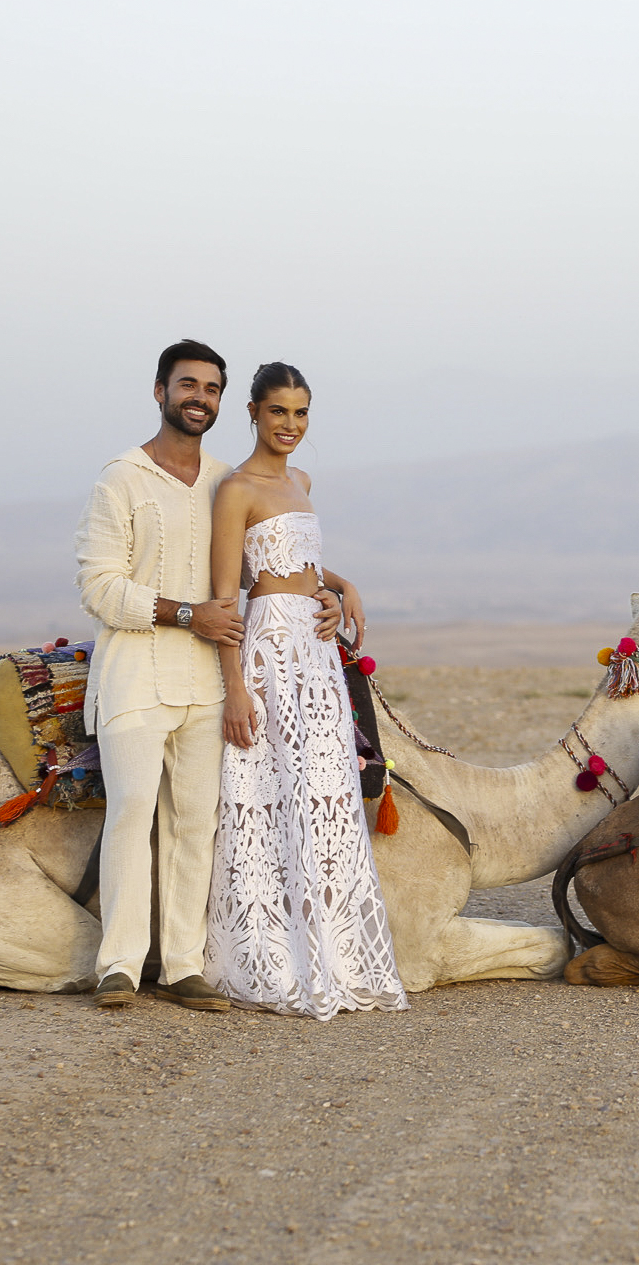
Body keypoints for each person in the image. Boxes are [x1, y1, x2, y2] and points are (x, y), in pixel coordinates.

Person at [76, 340, 321, 1012]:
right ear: (160, 392)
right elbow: (98, 586)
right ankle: (120, 966)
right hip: (134, 674)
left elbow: (256, 570)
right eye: (188, 385)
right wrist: (189, 614)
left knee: (195, 822)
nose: (199, 398)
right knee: (130, 813)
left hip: (209, 683)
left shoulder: (225, 480)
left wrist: (328, 590)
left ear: (221, 402)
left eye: (211, 389)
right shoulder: (120, 478)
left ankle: (183, 964)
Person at [203, 361, 408, 1019]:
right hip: (267, 653)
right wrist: (235, 688)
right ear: (254, 413)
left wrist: (338, 585)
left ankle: (338, 954)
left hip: (315, 659)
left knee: (325, 799)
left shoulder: (302, 480)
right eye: (278, 412)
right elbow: (226, 592)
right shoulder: (236, 489)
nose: (291, 425)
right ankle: (269, 956)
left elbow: (301, 566)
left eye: (301, 413)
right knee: (268, 795)